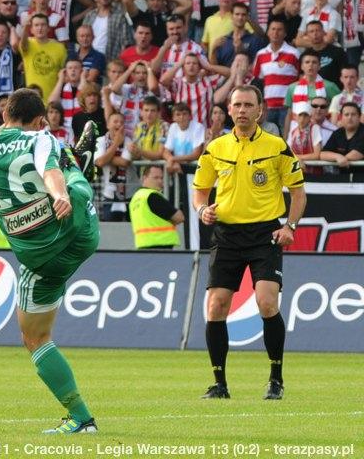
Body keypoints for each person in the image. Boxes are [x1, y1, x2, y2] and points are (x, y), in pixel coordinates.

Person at [0, 88, 99, 434]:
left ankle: (81, 418)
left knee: (36, 338)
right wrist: (60, 194)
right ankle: (77, 167)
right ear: (40, 120)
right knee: (69, 176)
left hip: (41, 256)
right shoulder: (42, 139)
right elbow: (48, 171)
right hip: (83, 230)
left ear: (4, 114)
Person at [192, 84, 307, 401]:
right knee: (216, 307)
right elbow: (200, 191)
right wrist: (203, 210)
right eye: (237, 105)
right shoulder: (215, 148)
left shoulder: (277, 146)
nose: (241, 110)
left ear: (260, 111)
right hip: (226, 234)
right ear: (229, 109)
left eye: (248, 105)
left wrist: (290, 226)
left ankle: (276, 379)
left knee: (267, 302)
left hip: (264, 235)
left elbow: (298, 192)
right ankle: (219, 384)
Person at [130, 165, 183, 249]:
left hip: (142, 245)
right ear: (144, 178)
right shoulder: (152, 196)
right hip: (160, 245)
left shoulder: (135, 198)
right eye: (156, 178)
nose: (160, 181)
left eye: (161, 178)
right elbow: (179, 217)